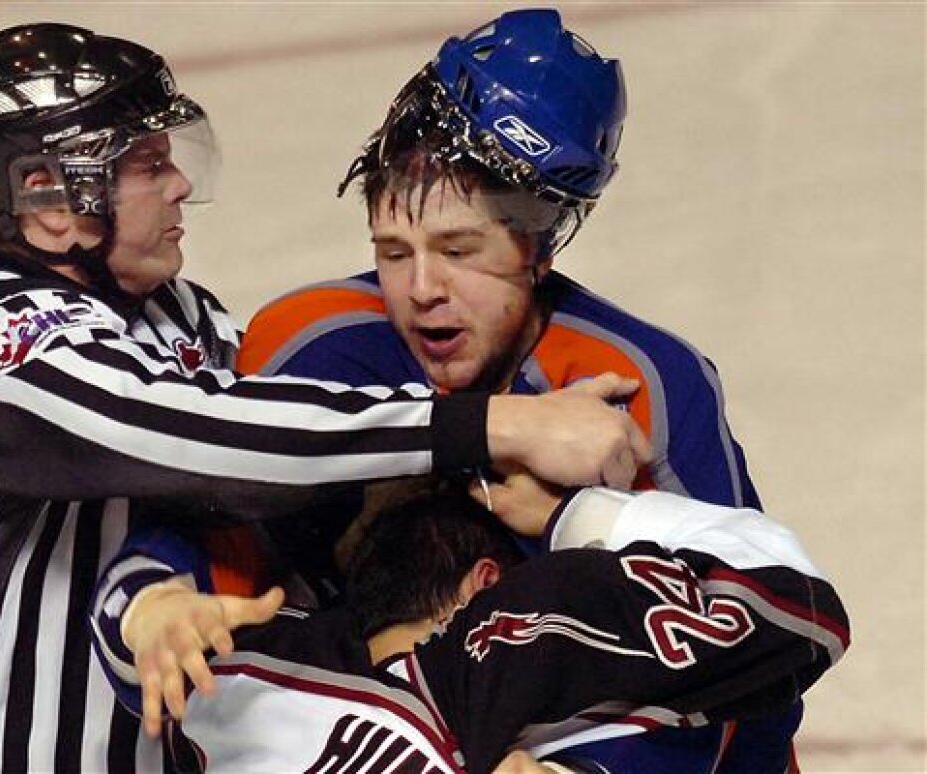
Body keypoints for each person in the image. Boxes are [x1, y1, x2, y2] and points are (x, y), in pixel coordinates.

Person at [0, 21, 651, 774]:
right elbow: (214, 440)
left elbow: (286, 450)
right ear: (52, 200)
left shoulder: (177, 314)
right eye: (148, 165)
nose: (180, 184)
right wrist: (498, 425)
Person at [230, 9, 795, 768]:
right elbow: (223, 583)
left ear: (536, 252)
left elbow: (755, 649)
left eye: (459, 251)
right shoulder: (311, 346)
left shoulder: (648, 384)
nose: (421, 289)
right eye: (393, 251)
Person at [94, 479, 849, 773]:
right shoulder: (534, 629)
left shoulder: (245, 672)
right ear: (487, 580)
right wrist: (576, 515)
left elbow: (129, 640)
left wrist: (151, 604)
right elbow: (800, 608)